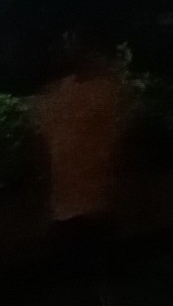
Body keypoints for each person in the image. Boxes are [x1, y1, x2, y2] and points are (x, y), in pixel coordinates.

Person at [31, 31, 129, 305]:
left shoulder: (49, 99)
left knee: (76, 279)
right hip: (96, 201)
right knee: (101, 275)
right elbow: (119, 145)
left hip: (67, 206)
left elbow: (43, 155)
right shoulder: (105, 91)